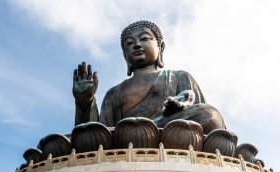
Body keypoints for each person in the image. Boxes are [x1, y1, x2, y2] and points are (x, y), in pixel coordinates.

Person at [72, 20, 225, 134]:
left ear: (161, 47)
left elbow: (201, 119)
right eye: (129, 44)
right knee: (80, 138)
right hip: (123, 139)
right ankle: (144, 130)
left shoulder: (179, 77)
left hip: (171, 133)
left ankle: (147, 129)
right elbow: (98, 133)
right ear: (125, 55)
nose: (137, 45)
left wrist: (181, 106)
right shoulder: (114, 93)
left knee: (210, 115)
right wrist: (85, 102)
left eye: (144, 39)